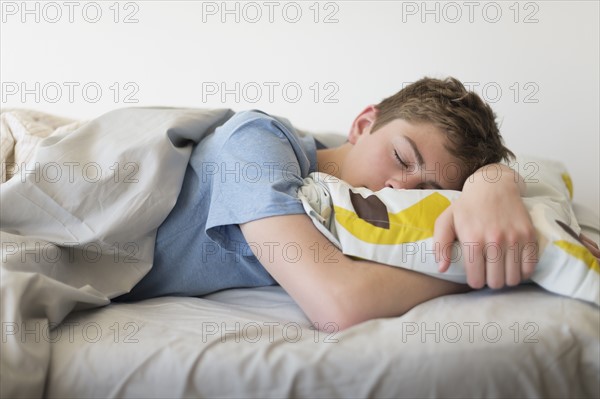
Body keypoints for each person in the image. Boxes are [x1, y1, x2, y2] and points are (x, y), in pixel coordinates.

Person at [116, 77, 538, 330]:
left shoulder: (351, 217)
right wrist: (482, 266)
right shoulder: (257, 142)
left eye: (424, 191)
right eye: (401, 158)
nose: (397, 190)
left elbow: (541, 185)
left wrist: (493, 183)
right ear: (363, 124)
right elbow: (340, 305)